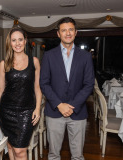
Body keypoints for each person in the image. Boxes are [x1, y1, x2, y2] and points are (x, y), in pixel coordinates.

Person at [40, 17, 94, 160]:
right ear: (58, 34)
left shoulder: (86, 56)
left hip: (78, 113)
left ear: (76, 32)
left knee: (77, 155)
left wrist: (73, 105)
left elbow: (89, 84)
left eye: (70, 29)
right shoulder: (48, 56)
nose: (67, 33)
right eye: (64, 30)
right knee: (53, 155)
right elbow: (44, 83)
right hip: (54, 112)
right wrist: (59, 104)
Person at [0, 27, 42, 160]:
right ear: (10, 43)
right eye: (14, 40)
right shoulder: (4, 64)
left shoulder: (34, 62)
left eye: (20, 39)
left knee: (20, 150)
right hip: (6, 111)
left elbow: (37, 87)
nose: (17, 43)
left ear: (25, 41)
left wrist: (37, 108)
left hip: (26, 112)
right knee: (10, 146)